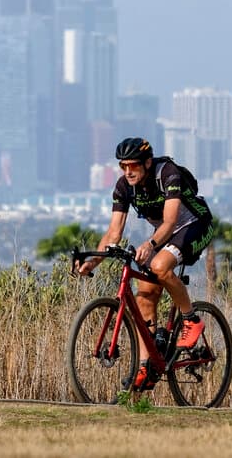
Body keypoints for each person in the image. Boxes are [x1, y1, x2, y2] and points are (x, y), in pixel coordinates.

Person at [76, 137, 215, 391]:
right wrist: (93, 261)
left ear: (147, 163)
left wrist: (150, 245)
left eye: (133, 166)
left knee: (160, 266)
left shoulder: (167, 174)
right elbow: (113, 232)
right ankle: (146, 364)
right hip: (164, 233)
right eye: (122, 166)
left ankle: (191, 320)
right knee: (145, 295)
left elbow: (171, 221)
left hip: (194, 225)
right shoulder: (123, 186)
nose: (127, 171)